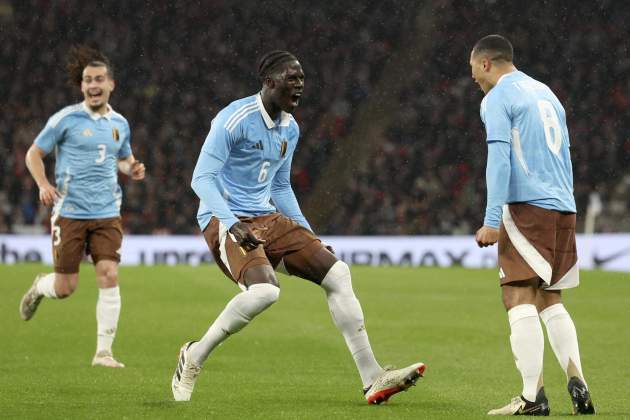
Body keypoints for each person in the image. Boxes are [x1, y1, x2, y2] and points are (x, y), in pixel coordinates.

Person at [172, 50, 425, 404]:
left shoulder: (290, 127)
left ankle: (373, 377)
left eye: (302, 79)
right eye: (292, 78)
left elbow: (279, 187)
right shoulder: (234, 118)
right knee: (265, 292)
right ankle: (193, 356)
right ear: (269, 81)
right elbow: (202, 179)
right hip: (223, 217)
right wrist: (231, 223)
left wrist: (309, 236)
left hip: (266, 217)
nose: (300, 85)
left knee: (338, 273)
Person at [470, 35, 595, 416]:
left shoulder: (496, 98)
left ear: (487, 63)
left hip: (528, 207)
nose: (473, 76)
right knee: (549, 296)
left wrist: (492, 220)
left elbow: (500, 159)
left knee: (517, 294)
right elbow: (565, 154)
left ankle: (531, 397)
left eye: (473, 68)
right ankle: (578, 382)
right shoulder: (547, 94)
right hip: (563, 205)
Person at [19, 46, 146, 368]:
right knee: (65, 288)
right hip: (70, 212)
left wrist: (132, 167)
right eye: (88, 80)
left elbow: (121, 157)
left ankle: (103, 353)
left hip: (107, 212)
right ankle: (39, 287)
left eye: (99, 79)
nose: (93, 85)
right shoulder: (66, 119)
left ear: (110, 84)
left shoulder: (120, 122)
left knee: (109, 274)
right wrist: (44, 185)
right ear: (82, 86)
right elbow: (33, 154)